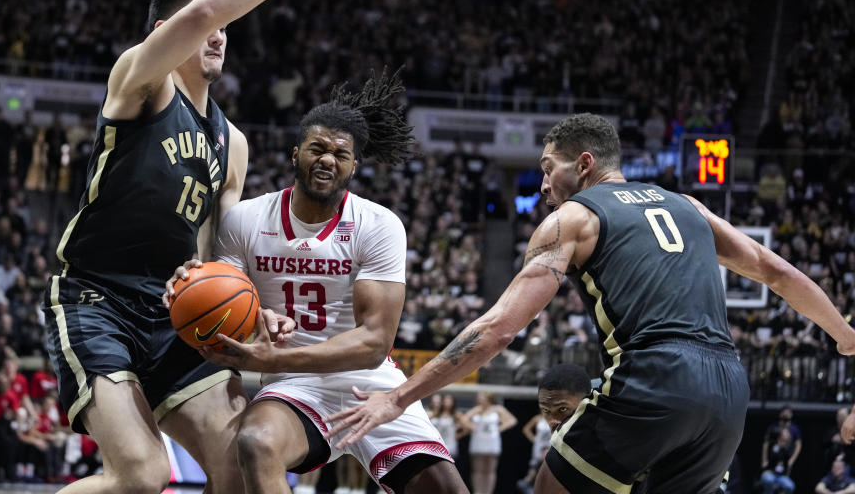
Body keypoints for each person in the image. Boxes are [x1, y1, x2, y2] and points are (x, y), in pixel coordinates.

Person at [328, 113, 855, 494]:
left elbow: (498, 329)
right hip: (729, 389)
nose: (542, 185)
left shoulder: (574, 218)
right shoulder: (688, 205)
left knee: (554, 486)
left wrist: (398, 399)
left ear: (583, 164)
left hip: (656, 376)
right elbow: (777, 271)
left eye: (547, 168)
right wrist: (843, 334)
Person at [42, 0, 343, 494]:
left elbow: (221, 247)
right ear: (164, 33)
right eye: (203, 23)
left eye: (225, 28)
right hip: (97, 300)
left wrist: (261, 310)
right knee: (143, 476)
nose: (219, 32)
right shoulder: (139, 81)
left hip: (174, 312)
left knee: (240, 463)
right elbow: (207, 9)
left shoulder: (231, 141)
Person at [166, 72, 467, 494]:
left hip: (371, 382)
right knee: (255, 443)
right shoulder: (246, 219)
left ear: (353, 166)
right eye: (318, 148)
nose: (328, 159)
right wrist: (189, 286)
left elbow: (374, 343)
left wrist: (274, 360)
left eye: (340, 154)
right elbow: (224, 302)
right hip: (294, 388)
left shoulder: (378, 225)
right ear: (296, 154)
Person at [517, 364, 591, 494]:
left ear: (587, 403)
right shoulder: (553, 463)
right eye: (546, 410)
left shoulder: (611, 442)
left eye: (562, 409)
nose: (553, 421)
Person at [463, 392, 516, 494]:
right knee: (477, 470)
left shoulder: (497, 409)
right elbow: (464, 419)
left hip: (492, 442)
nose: (479, 399)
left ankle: (488, 492)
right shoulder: (477, 409)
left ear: (488, 398)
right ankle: (478, 491)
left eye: (481, 397)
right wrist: (473, 427)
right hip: (478, 441)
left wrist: (499, 428)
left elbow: (512, 420)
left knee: (490, 470)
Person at [761, 407, 801, 483]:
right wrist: (764, 459)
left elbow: (798, 445)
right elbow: (766, 443)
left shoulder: (794, 429)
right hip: (773, 458)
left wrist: (792, 459)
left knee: (787, 485)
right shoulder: (773, 428)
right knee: (768, 479)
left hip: (786, 459)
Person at [759, 428, 796, 494]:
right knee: (768, 480)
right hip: (770, 473)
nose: (788, 435)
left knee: (790, 486)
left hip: (781, 476)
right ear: (780, 435)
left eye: (788, 434)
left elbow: (789, 463)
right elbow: (771, 457)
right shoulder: (773, 445)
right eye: (786, 433)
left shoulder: (788, 449)